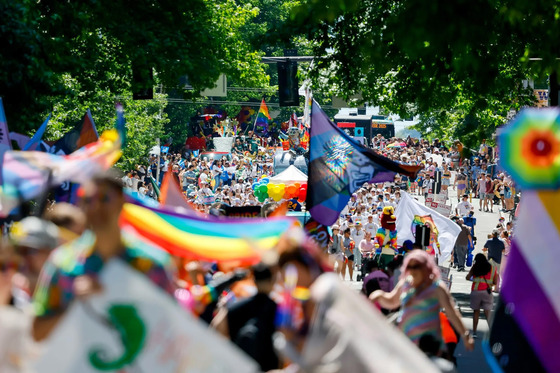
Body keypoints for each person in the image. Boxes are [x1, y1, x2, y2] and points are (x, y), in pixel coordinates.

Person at [32, 170, 176, 341]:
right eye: (87, 200)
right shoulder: (63, 263)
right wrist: (77, 306)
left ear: (121, 201)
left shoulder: (151, 264)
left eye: (104, 198)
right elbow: (37, 332)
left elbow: (174, 330)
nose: (96, 206)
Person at [369, 250, 474, 350]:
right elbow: (392, 301)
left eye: (416, 266)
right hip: (405, 343)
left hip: (428, 346)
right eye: (410, 266)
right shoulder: (405, 283)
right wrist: (379, 295)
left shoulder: (436, 287)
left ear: (426, 267)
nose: (413, 270)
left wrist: (466, 335)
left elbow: (451, 312)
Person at [212, 263, 279, 371]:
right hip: (265, 368)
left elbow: (216, 328)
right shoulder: (277, 308)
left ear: (254, 280)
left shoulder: (236, 306)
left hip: (239, 365)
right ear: (272, 280)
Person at [466, 254, 498, 337]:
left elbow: (468, 277)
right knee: (488, 312)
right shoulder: (492, 268)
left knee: (476, 311)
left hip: (476, 291)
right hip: (487, 292)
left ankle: (474, 332)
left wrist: (474, 278)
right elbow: (495, 281)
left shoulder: (475, 267)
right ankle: (492, 332)